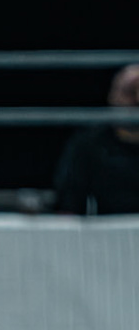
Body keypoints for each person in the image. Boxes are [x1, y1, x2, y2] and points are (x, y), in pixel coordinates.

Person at [54, 65, 139, 217]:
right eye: (130, 92)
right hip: (107, 234)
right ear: (113, 96)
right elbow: (69, 206)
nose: (136, 100)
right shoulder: (89, 143)